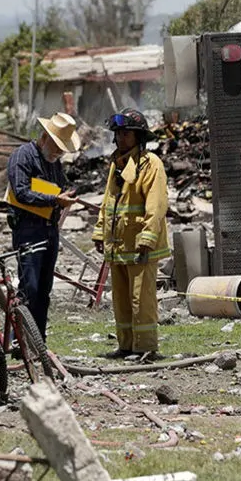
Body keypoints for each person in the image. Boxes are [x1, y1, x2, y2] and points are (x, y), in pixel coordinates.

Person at [92, 108, 170, 360]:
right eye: (118, 134)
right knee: (122, 300)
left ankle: (146, 347)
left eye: (126, 133)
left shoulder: (151, 164)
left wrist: (147, 238)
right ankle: (125, 346)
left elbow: (156, 205)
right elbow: (108, 202)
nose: (121, 138)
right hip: (118, 245)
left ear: (138, 136)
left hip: (140, 246)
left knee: (141, 300)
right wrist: (99, 232)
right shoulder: (117, 163)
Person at [5, 112, 80, 342]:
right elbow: (21, 192)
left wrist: (64, 196)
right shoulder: (22, 156)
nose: (58, 153)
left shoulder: (54, 164)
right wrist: (55, 200)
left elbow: (56, 188)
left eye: (62, 149)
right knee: (30, 288)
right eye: (56, 146)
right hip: (28, 230)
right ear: (45, 137)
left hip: (49, 229)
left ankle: (38, 340)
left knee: (44, 291)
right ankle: (19, 339)